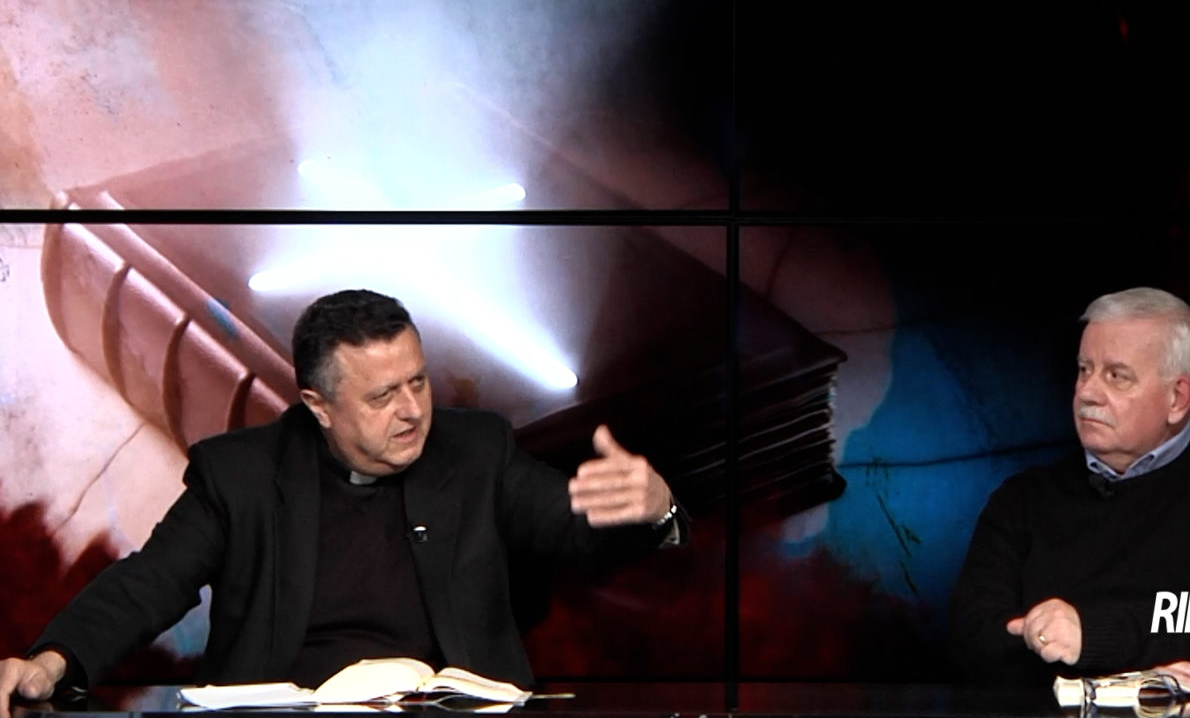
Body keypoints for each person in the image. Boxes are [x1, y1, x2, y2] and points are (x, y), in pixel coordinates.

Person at [0, 289, 684, 713]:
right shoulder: (240, 475)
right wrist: (53, 659)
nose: (412, 410)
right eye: (383, 396)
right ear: (318, 405)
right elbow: (150, 582)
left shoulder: (477, 450)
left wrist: (653, 511)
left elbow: (573, 531)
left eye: (418, 382)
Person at [949, 287, 1190, 692]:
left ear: (1177, 399)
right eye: (1084, 370)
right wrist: (1060, 644)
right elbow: (973, 632)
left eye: (1116, 375)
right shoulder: (1021, 499)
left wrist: (1091, 636)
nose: (1087, 392)